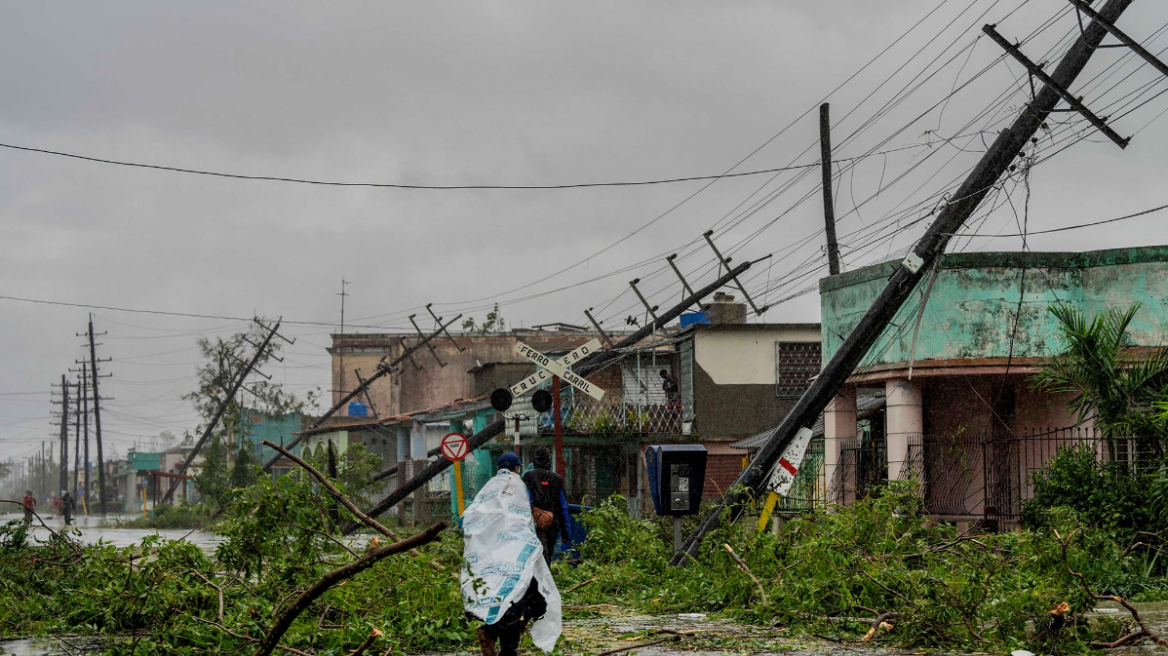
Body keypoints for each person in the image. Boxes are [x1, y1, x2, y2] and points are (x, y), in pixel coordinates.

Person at [463, 452, 561, 656]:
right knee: (531, 598)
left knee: (512, 600)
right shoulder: (519, 487)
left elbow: (467, 519)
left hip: (492, 558)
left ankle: (502, 643)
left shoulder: (487, 490)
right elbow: (525, 518)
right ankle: (495, 636)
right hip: (516, 556)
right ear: (517, 468)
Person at [521, 447, 573, 565]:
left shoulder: (528, 477)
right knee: (548, 553)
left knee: (537, 555)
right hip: (553, 524)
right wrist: (566, 532)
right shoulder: (557, 479)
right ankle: (546, 574)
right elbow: (563, 506)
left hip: (534, 523)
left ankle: (538, 575)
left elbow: (525, 500)